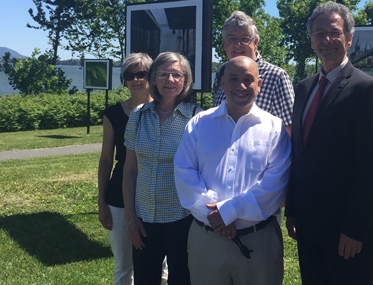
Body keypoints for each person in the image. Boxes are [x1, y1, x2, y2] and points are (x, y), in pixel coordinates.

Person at [285, 1, 373, 285]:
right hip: (308, 224)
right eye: (319, 33)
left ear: (349, 38)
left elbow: (371, 167)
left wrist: (355, 229)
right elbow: (299, 153)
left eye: (334, 32)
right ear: (311, 40)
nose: (327, 40)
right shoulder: (304, 87)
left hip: (346, 229)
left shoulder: (367, 89)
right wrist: (292, 209)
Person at [174, 56, 291, 285]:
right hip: (206, 241)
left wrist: (227, 212)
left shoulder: (275, 129)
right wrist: (216, 216)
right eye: (234, 79)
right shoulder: (199, 124)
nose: (241, 86)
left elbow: (274, 185)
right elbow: (184, 172)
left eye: (249, 79)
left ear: (259, 84)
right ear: (222, 83)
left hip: (259, 243)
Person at [123, 52, 202, 285]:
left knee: (182, 280)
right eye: (164, 74)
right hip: (144, 219)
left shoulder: (196, 118)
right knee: (145, 280)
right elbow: (130, 169)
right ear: (153, 79)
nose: (170, 80)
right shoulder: (138, 116)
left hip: (183, 219)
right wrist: (131, 218)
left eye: (177, 74)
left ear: (185, 80)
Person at [98, 53, 154, 285]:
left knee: (160, 266)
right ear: (124, 79)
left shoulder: (165, 112)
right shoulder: (112, 114)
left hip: (155, 196)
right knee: (123, 266)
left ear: (152, 76)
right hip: (118, 198)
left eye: (142, 74)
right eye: (130, 75)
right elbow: (105, 159)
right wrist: (101, 202)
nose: (136, 79)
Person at [212, 11, 294, 135]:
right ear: (225, 44)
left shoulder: (276, 76)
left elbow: (290, 127)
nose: (238, 45)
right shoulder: (221, 73)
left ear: (255, 43)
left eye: (245, 39)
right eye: (232, 39)